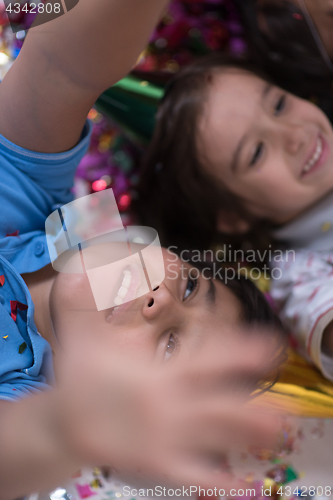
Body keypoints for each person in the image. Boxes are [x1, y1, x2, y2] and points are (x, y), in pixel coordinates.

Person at [0, 1, 286, 499]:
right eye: (194, 285)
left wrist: (61, 427)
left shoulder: (23, 401)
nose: (165, 301)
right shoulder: (32, 197)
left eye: (171, 345)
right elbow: (62, 68)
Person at [137, 50, 333, 382]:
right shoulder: (299, 274)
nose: (295, 135)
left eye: (279, 105)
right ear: (232, 216)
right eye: (256, 152)